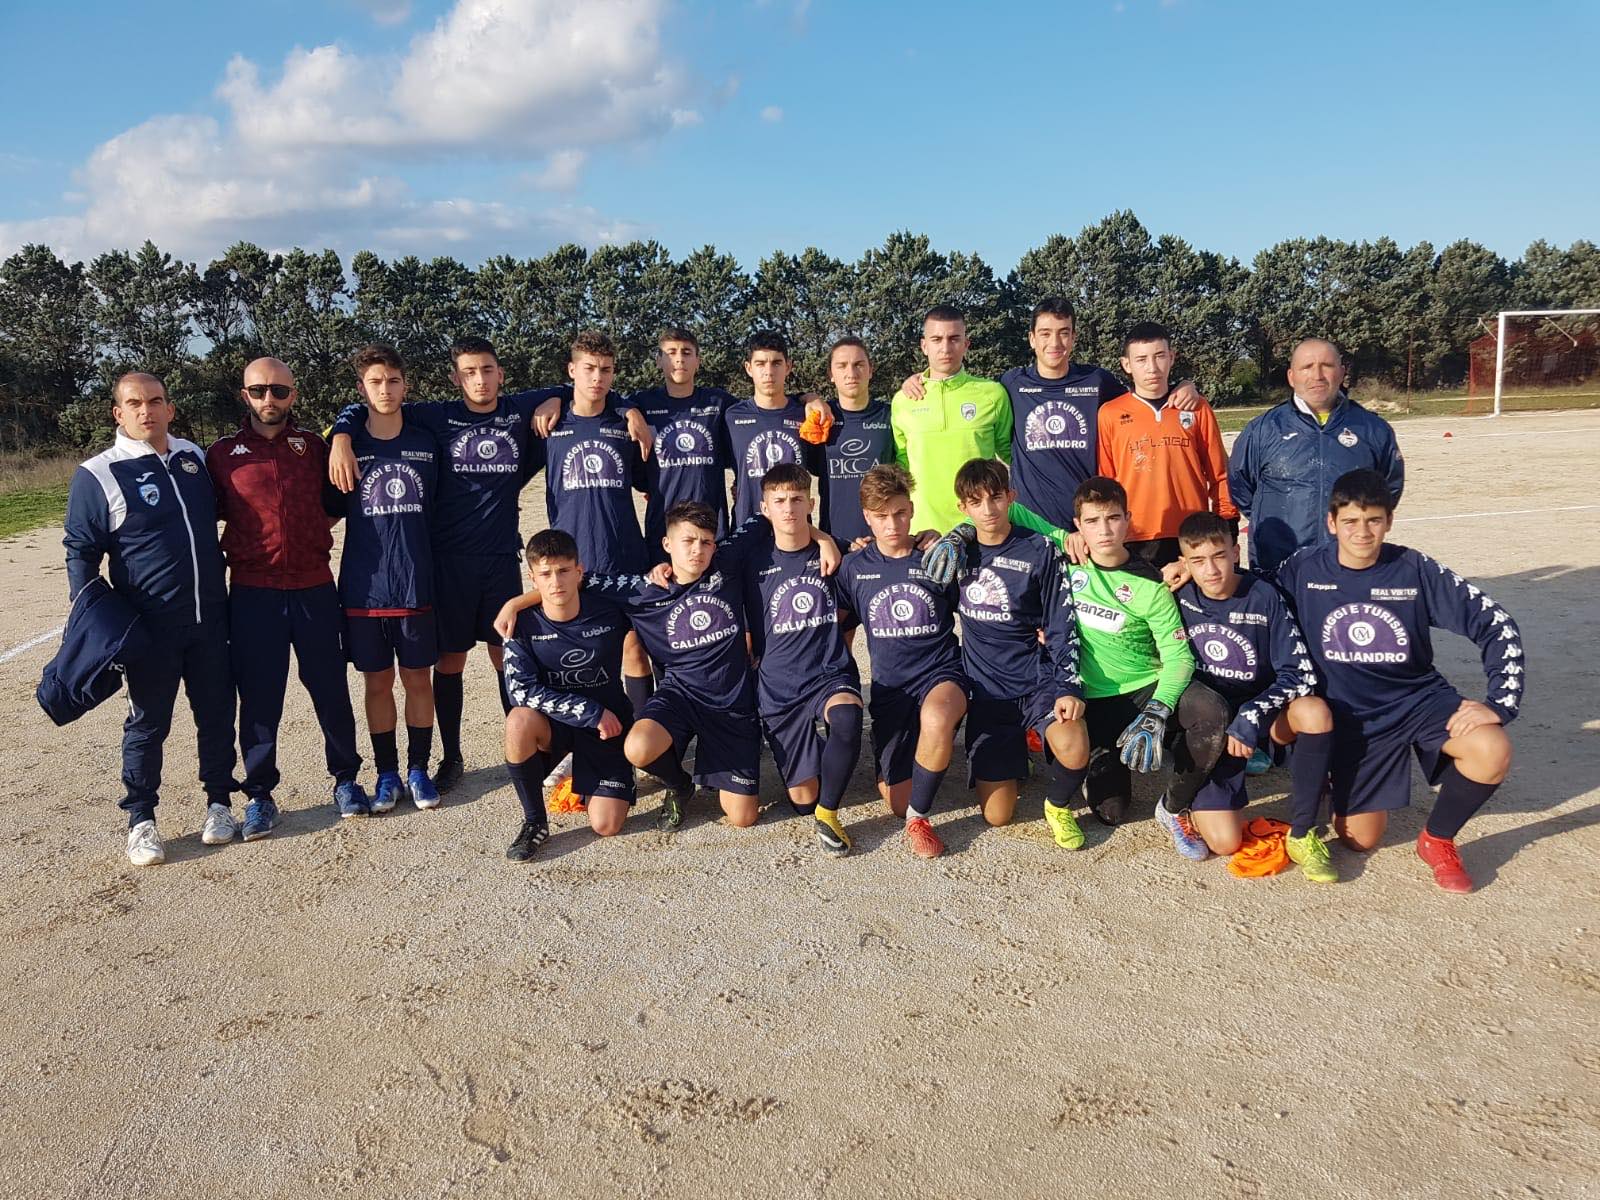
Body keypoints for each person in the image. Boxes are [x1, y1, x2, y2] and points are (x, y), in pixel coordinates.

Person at [328, 337, 580, 793]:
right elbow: (368, 404)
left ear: (501, 374)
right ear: (454, 378)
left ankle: (528, 749)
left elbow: (578, 384)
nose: (479, 380)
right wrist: (342, 435)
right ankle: (451, 756)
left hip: (500, 557)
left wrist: (555, 399)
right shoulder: (435, 416)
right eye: (468, 372)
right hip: (447, 561)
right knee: (449, 661)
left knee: (509, 655)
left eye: (487, 370)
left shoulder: (517, 410)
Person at [1275, 469, 1520, 892]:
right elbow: (1250, 597)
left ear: (1389, 521)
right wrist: (1188, 573)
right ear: (1332, 523)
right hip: (1350, 716)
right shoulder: (1303, 567)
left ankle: (1437, 839)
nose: (1362, 532)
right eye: (1351, 521)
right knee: (1360, 840)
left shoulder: (1413, 568)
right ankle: (1335, 773)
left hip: (1416, 701)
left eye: (1374, 520)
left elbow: (1496, 623)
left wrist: (1499, 703)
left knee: (1492, 747)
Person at [63, 372, 237, 864]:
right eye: (135, 403)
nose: (147, 411)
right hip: (150, 629)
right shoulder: (98, 473)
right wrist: (97, 622)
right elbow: (81, 554)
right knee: (147, 725)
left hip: (210, 620)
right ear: (118, 413)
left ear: (170, 408)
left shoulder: (193, 458)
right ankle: (141, 819)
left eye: (156, 401)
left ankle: (220, 804)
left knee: (216, 715)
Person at [207, 357, 365, 832]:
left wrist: (307, 534)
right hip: (254, 594)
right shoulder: (222, 455)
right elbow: (207, 517)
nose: (269, 399)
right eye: (259, 391)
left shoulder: (314, 448)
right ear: (245, 395)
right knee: (259, 698)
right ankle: (259, 793)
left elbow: (335, 505)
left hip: (314, 587)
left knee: (331, 689)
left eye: (279, 390)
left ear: (293, 394)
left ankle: (346, 779)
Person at [898, 296, 1208, 532]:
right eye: (1045, 333)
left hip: (1088, 521)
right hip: (1030, 524)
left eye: (1063, 333)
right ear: (1032, 339)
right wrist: (919, 379)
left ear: (1074, 337)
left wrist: (1183, 386)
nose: (1054, 342)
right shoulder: (1010, 384)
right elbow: (954, 387)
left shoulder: (1096, 381)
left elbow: (1142, 397)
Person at [1172, 512, 1336, 880]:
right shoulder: (1177, 595)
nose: (1211, 570)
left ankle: (1303, 829)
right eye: (1198, 561)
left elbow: (1301, 673)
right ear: (1185, 563)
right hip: (1212, 725)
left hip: (1262, 716)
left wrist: (1252, 713)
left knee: (1313, 711)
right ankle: (1192, 792)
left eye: (1219, 556)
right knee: (1225, 843)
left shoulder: (1264, 596)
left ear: (1235, 552)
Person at [1068, 476, 1227, 855]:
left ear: (1128, 519)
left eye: (1113, 518)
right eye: (1092, 521)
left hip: (1145, 690)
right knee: (1111, 812)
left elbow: (1178, 657)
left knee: (1210, 710)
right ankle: (1101, 757)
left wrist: (1158, 708)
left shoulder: (1152, 582)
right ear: (1078, 526)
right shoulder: (1067, 566)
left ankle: (1173, 807)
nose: (1104, 530)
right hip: (1093, 701)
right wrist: (960, 534)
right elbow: (1009, 513)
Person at [945, 459, 1090, 849]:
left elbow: (1061, 626)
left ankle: (1058, 804)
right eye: (976, 502)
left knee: (1074, 743)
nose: (988, 509)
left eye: (996, 497)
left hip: (1036, 683)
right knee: (998, 816)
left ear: (1011, 496)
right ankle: (1018, 751)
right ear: (963, 507)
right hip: (988, 693)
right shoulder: (957, 554)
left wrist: (1068, 687)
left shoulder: (1040, 549)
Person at [835, 465, 967, 859]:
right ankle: (900, 750)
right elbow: (842, 629)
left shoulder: (934, 557)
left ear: (911, 509)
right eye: (881, 516)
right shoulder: (854, 568)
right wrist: (840, 682)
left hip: (941, 672)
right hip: (891, 687)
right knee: (895, 800)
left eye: (900, 513)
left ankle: (918, 820)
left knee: (937, 717)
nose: (892, 525)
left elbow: (975, 611)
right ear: (867, 517)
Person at [336, 345, 441, 815]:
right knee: (376, 684)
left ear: (405, 385)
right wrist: (340, 436)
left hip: (416, 585)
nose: (385, 389)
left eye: (393, 381)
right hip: (365, 588)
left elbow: (438, 507)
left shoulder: (426, 442)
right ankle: (386, 773)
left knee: (418, 679)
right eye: (375, 382)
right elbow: (328, 511)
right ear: (362, 388)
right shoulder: (347, 446)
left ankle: (419, 769)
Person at [738, 465, 864, 856]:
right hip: (779, 686)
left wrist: (927, 537)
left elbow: (883, 561)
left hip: (829, 674)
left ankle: (829, 814)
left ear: (811, 503)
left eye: (796, 499)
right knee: (802, 800)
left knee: (847, 717)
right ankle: (819, 759)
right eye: (779, 501)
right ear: (764, 508)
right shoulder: (749, 561)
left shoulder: (838, 551)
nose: (788, 508)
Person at [500, 529, 638, 861]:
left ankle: (611, 769)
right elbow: (520, 691)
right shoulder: (520, 624)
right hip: (560, 726)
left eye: (563, 571)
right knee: (518, 721)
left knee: (606, 825)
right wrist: (589, 711)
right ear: (532, 578)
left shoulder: (609, 611)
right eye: (545, 574)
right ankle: (535, 822)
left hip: (608, 728)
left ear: (579, 571)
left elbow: (643, 589)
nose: (555, 582)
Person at [1228, 338, 1405, 575]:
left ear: (1341, 372)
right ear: (1291, 376)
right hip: (1279, 566)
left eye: (1327, 366)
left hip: (1349, 564)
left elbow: (1388, 488)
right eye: (1307, 367)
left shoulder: (1373, 429)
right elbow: (1240, 486)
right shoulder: (1262, 430)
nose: (1317, 375)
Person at [1096, 321, 1235, 568]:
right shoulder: (1110, 413)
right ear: (1126, 364)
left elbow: (1220, 474)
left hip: (1192, 534)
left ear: (1171, 357)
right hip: (1135, 536)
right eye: (1141, 360)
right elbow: (1106, 483)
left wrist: (1229, 523)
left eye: (1159, 356)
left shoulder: (1196, 407)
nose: (1152, 368)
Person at [889, 305, 1012, 534]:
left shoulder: (992, 394)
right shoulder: (903, 400)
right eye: (936, 339)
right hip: (923, 531)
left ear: (966, 344)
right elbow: (901, 466)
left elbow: (1012, 455)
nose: (945, 348)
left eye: (954, 339)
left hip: (980, 527)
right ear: (924, 346)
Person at [628, 326, 738, 551]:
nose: (679, 359)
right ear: (658, 361)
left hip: (711, 532)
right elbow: (604, 402)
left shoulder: (718, 402)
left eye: (687, 352)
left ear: (698, 361)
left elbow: (761, 406)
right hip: (663, 530)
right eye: (671, 353)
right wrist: (627, 411)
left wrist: (806, 397)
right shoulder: (642, 403)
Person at [723, 330, 823, 527]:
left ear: (788, 366)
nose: (769, 371)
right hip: (747, 527)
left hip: (796, 529)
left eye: (776, 363)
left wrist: (811, 397)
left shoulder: (805, 414)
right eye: (760, 363)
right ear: (748, 368)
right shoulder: (731, 417)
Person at [815, 336, 895, 545]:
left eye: (859, 364)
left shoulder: (890, 415)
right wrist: (808, 398)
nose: (851, 373)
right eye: (842, 366)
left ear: (871, 370)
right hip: (834, 542)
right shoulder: (820, 418)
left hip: (885, 541)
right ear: (831, 374)